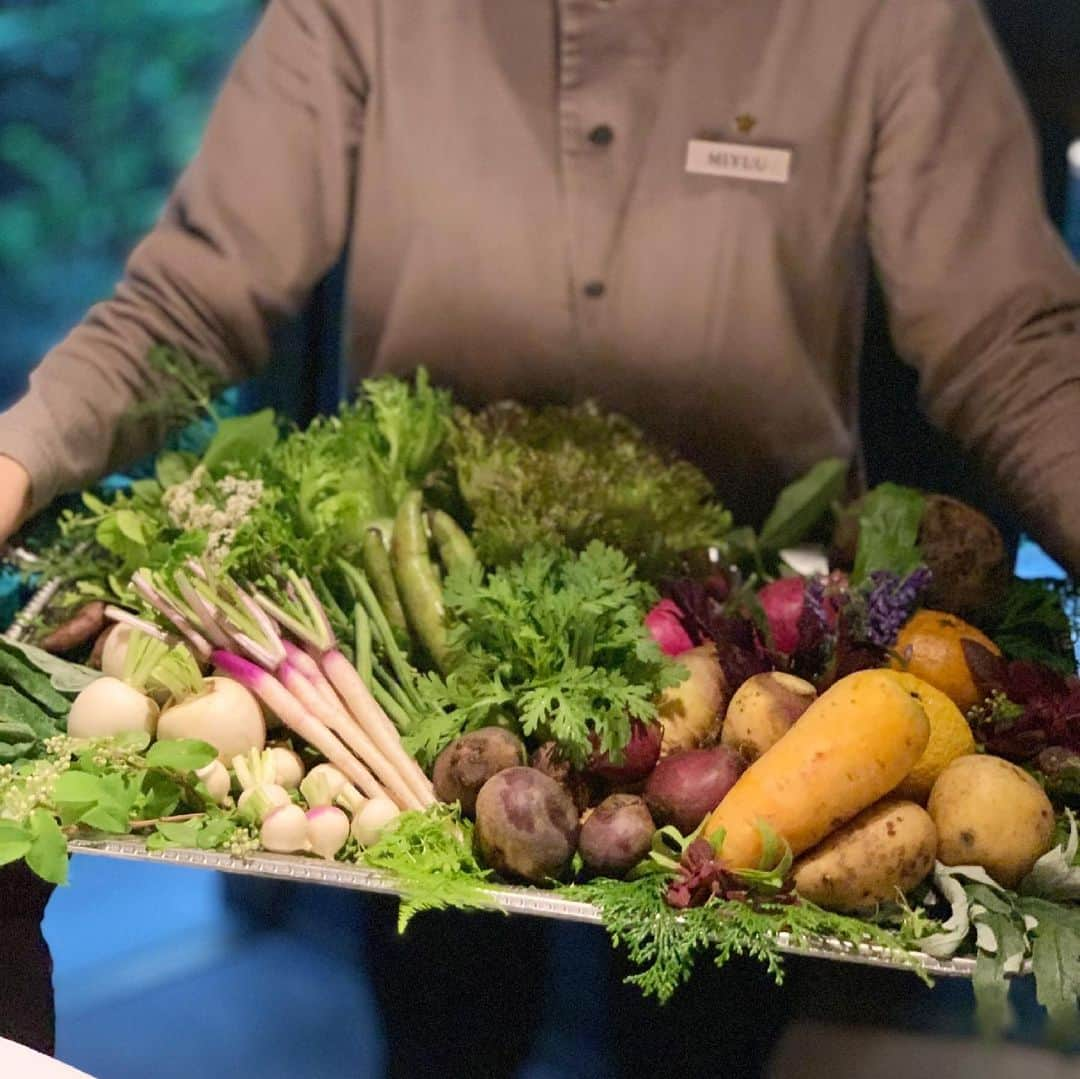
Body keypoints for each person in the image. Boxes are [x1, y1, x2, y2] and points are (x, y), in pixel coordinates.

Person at [1, 0, 1079, 1073]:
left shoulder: (887, 20)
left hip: (748, 670)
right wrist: (19, 454)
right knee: (445, 1018)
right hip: (436, 669)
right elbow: (188, 302)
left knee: (699, 1034)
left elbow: (1011, 342)